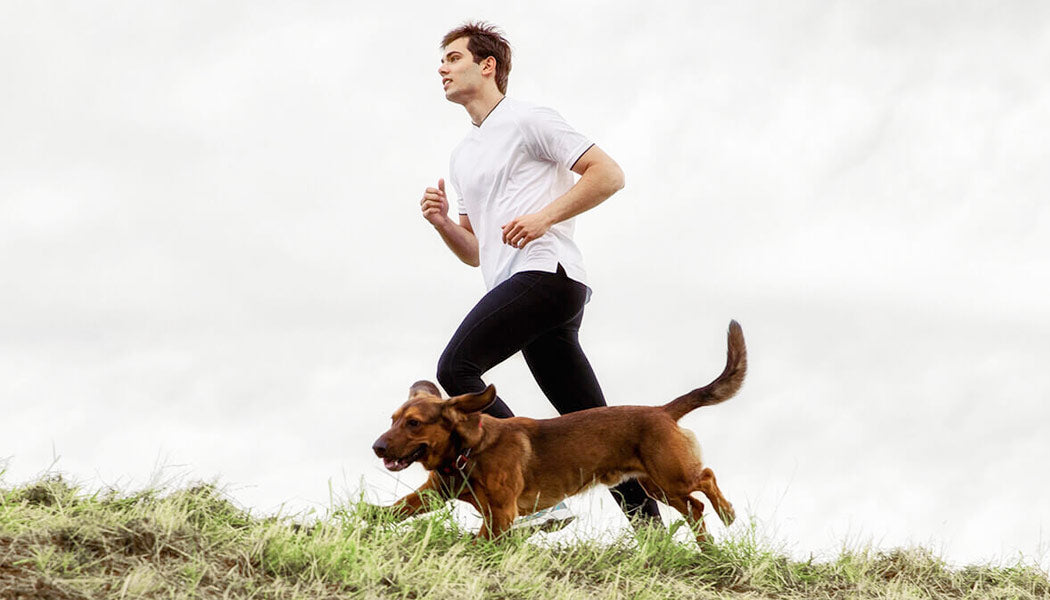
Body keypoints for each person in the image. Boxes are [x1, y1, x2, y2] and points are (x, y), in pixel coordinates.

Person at [419, 21, 661, 527]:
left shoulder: (530, 119)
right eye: (440, 60)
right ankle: (651, 532)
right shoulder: (463, 154)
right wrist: (443, 222)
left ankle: (535, 495)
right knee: (596, 425)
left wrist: (543, 217)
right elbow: (475, 251)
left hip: (547, 274)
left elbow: (609, 174)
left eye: (453, 58)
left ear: (488, 67)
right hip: (520, 286)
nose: (441, 67)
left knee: (456, 370)